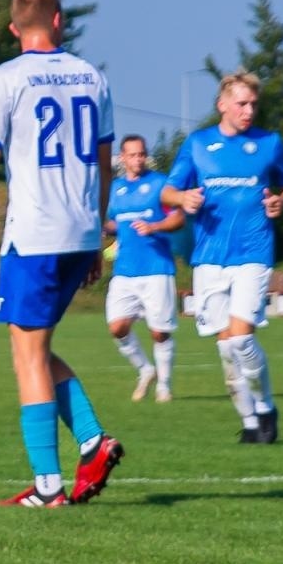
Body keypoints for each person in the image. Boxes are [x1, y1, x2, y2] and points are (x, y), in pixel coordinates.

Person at [0, 0, 123, 508]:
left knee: (26, 356)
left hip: (35, 234)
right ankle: (93, 440)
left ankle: (48, 487)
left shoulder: (5, 79)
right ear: (60, 21)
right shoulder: (93, 77)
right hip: (80, 232)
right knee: (37, 349)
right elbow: (105, 161)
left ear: (13, 29)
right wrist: (96, 231)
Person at [161, 73, 283, 443]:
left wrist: (280, 202)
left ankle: (267, 407)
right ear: (222, 104)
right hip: (208, 258)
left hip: (253, 253)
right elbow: (168, 191)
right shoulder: (198, 144)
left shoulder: (269, 144)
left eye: (254, 104)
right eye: (241, 103)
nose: (249, 110)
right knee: (225, 347)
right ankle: (250, 422)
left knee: (240, 340)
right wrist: (182, 199)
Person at [103, 135, 185, 402]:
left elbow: (178, 218)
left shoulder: (161, 185)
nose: (138, 159)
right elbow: (116, 223)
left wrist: (154, 227)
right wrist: (102, 229)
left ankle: (164, 385)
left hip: (156, 268)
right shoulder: (115, 190)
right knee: (117, 327)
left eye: (142, 154)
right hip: (124, 270)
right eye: (133, 155)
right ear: (122, 158)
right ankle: (145, 369)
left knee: (159, 331)